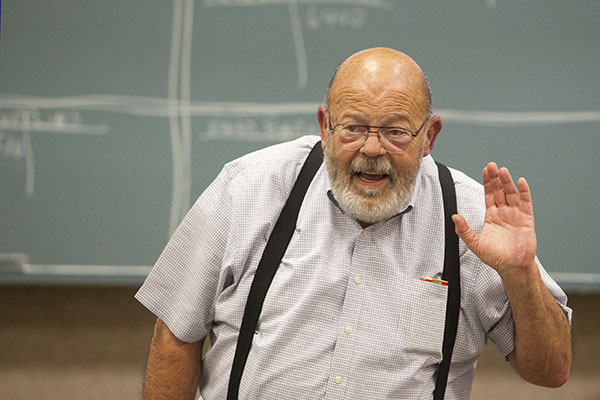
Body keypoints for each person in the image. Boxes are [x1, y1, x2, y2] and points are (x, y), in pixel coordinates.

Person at [135, 47, 572, 399]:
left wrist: (520, 275)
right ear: (325, 126)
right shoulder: (248, 187)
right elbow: (176, 333)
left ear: (429, 137)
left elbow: (550, 371)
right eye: (354, 127)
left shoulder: (473, 219)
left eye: (396, 131)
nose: (372, 148)